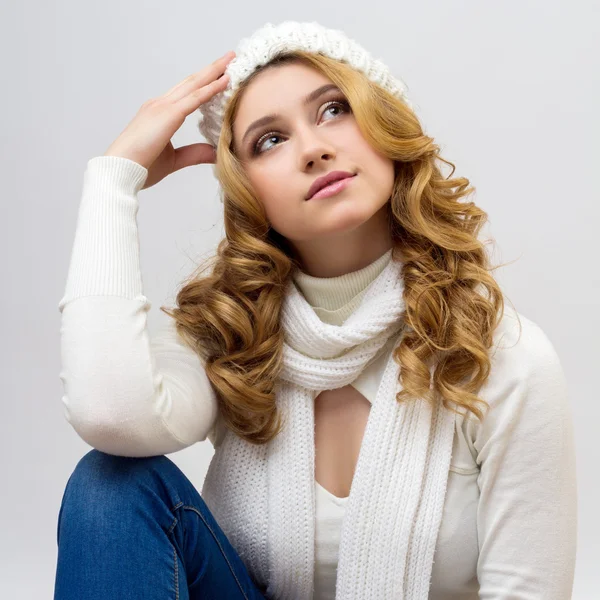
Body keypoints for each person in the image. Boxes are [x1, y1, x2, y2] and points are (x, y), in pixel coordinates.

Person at [53, 20, 578, 600]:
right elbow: (110, 416)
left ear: (385, 123)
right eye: (269, 140)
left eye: (333, 109)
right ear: (245, 189)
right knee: (110, 485)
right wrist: (112, 180)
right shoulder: (233, 336)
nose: (313, 148)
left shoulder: (500, 357)